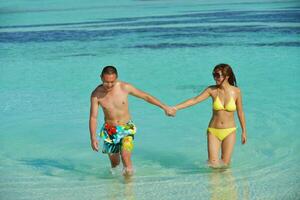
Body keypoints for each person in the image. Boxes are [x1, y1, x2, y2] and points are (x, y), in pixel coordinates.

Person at [89, 66, 172, 176]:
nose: (109, 85)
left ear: (117, 78)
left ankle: (129, 189)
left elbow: (145, 96)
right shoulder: (96, 95)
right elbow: (93, 117)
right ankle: (116, 189)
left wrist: (164, 107)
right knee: (115, 166)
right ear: (101, 78)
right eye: (106, 82)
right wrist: (93, 137)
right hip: (110, 131)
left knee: (125, 157)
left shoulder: (125, 87)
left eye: (112, 82)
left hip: (126, 128)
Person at [168, 64, 247, 168]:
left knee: (225, 165)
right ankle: (213, 184)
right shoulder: (212, 90)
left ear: (227, 76)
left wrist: (244, 131)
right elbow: (194, 100)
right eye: (214, 75)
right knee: (213, 165)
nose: (215, 78)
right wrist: (176, 107)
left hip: (230, 131)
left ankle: (227, 184)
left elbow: (240, 112)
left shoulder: (236, 91)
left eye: (218, 75)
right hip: (213, 131)